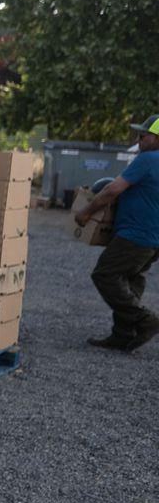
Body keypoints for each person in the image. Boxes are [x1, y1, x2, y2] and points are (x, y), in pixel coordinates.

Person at [75, 113, 159, 351]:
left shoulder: (148, 159)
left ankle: (146, 320)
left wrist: (87, 212)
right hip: (154, 239)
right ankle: (123, 334)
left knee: (105, 274)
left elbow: (112, 190)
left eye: (144, 135)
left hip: (136, 235)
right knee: (132, 280)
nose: (139, 138)